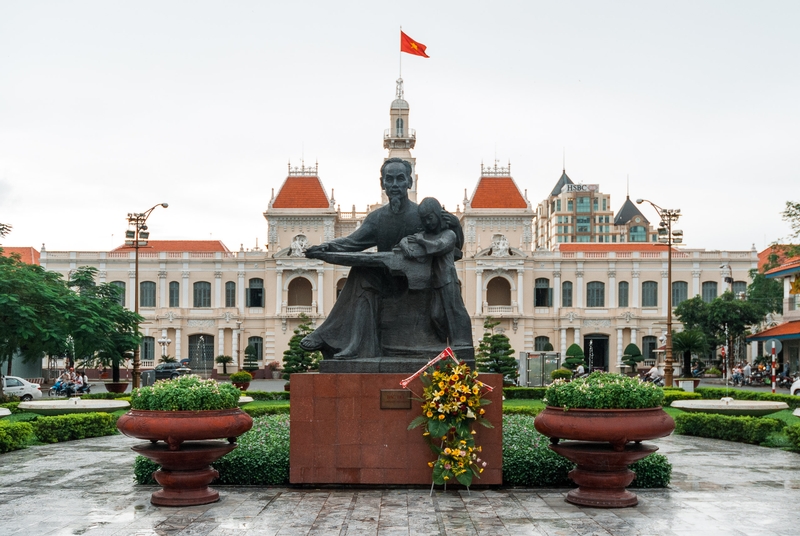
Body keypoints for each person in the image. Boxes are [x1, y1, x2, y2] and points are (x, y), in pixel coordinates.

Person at [302, 158, 465, 360]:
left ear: (409, 182)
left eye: (400, 179)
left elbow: (453, 246)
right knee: (361, 273)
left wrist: (456, 226)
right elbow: (352, 242)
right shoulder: (377, 218)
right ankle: (355, 345)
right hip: (387, 279)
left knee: (363, 272)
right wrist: (326, 247)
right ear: (383, 184)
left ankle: (331, 336)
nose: (395, 185)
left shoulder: (422, 214)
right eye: (390, 180)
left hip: (420, 282)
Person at [396, 197, 472, 350]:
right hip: (434, 282)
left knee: (455, 310)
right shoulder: (425, 234)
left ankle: (463, 343)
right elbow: (408, 239)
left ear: (438, 215)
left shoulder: (449, 234)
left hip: (448, 279)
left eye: (430, 218)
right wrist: (404, 243)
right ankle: (443, 345)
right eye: (424, 220)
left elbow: (439, 246)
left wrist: (422, 241)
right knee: (437, 315)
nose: (428, 223)